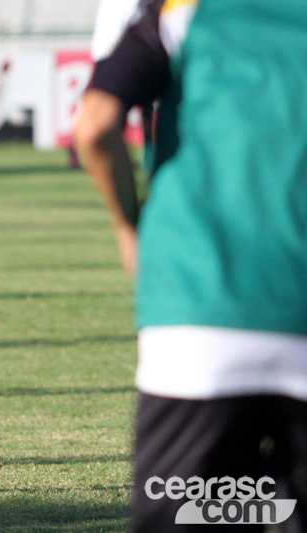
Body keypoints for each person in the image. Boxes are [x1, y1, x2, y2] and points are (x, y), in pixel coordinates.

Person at [74, 0, 307, 531]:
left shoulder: (182, 10)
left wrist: (127, 226)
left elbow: (94, 125)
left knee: (190, 511)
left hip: (197, 308)